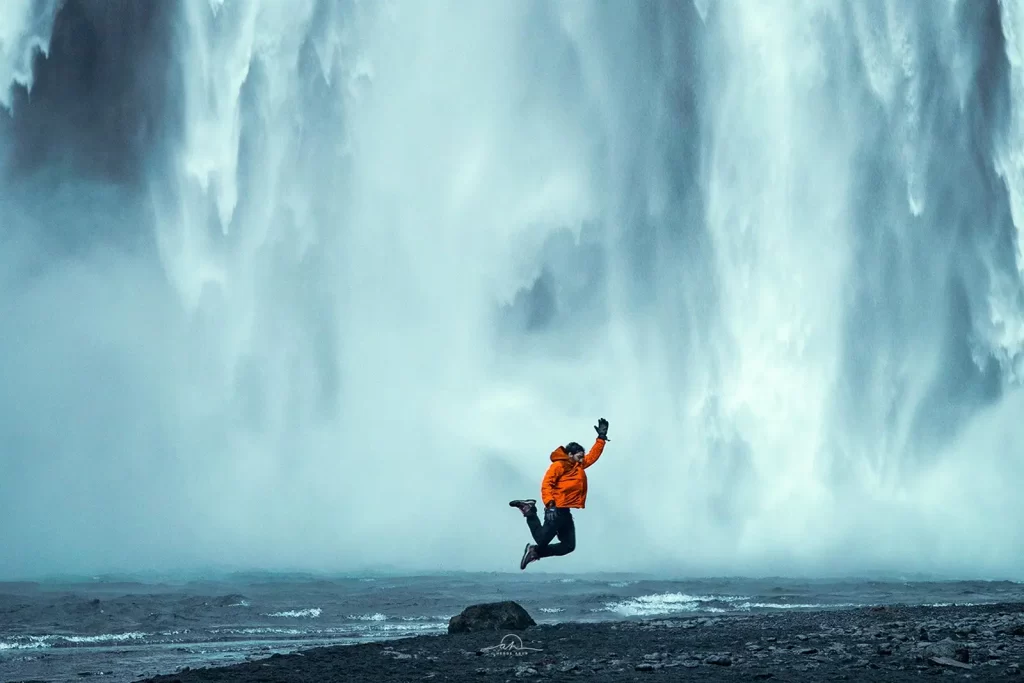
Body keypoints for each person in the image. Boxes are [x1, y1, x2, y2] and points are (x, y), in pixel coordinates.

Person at [509, 418, 609, 570]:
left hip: (565, 511)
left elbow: (592, 456)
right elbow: (546, 484)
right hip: (555, 509)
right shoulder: (559, 465)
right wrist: (549, 505)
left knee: (568, 546)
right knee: (541, 539)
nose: (582, 459)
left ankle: (535, 552)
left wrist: (601, 438)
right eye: (579, 456)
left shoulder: (577, 465)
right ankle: (530, 511)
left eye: (582, 456)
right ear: (570, 454)